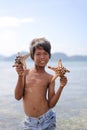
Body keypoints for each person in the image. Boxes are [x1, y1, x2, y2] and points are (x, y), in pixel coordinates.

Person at [14, 37, 67, 130]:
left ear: (49, 56)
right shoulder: (25, 73)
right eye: (38, 54)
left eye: (45, 53)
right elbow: (17, 97)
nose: (42, 57)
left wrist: (61, 87)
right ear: (32, 56)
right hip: (29, 123)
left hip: (47, 119)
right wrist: (20, 76)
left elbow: (51, 104)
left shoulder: (50, 78)